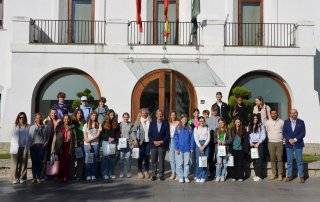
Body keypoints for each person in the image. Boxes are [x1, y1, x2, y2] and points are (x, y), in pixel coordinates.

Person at [283, 109, 306, 183]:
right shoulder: (286, 122)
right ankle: (289, 176)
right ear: (290, 114)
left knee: (299, 161)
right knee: (289, 161)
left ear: (297, 114)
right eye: (292, 113)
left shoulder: (301, 122)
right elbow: (284, 132)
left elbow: (303, 133)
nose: (293, 114)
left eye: (295, 113)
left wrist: (295, 139)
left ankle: (301, 176)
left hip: (298, 144)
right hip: (289, 144)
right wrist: (289, 139)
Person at [149, 109, 170, 181]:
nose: (160, 115)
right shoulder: (152, 123)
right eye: (158, 114)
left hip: (162, 145)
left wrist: (162, 141)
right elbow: (149, 134)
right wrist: (153, 141)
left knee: (161, 160)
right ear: (156, 115)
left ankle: (161, 174)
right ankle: (154, 175)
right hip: (153, 144)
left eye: (161, 114)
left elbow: (167, 135)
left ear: (162, 115)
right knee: (153, 160)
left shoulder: (165, 123)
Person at [10, 112, 30, 184]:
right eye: (20, 117)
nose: (21, 119)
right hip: (16, 147)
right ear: (18, 118)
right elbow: (12, 137)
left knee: (23, 163)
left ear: (25, 118)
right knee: (15, 164)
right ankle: (15, 178)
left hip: (24, 147)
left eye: (23, 117)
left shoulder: (28, 126)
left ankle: (22, 177)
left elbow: (29, 137)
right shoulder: (15, 126)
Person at [132, 108, 151, 179]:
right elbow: (133, 131)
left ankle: (146, 171)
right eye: (143, 113)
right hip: (141, 142)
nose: (145, 114)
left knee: (147, 157)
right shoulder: (138, 121)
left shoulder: (150, 121)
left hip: (148, 142)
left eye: (146, 113)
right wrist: (135, 140)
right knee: (140, 157)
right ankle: (139, 171)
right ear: (141, 114)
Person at [174, 114, 194, 183]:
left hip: (187, 149)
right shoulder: (178, 128)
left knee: (186, 163)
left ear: (187, 120)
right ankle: (181, 176)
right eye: (183, 119)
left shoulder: (189, 128)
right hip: (179, 149)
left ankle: (185, 176)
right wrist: (176, 148)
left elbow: (192, 139)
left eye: (185, 119)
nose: (184, 120)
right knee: (179, 163)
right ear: (181, 119)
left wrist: (191, 147)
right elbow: (175, 138)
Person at [265, 109, 284, 181]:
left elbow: (284, 131)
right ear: (270, 114)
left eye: (275, 113)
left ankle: (280, 174)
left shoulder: (281, 122)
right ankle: (273, 174)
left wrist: (283, 140)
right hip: (271, 142)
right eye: (272, 113)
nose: (273, 115)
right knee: (272, 159)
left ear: (277, 114)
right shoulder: (267, 122)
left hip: (279, 142)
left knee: (280, 158)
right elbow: (266, 131)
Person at [100, 109, 119, 180]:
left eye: (113, 115)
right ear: (108, 115)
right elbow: (101, 134)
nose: (112, 116)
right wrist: (108, 138)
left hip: (113, 143)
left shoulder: (115, 123)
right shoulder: (104, 123)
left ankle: (111, 173)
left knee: (111, 158)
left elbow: (117, 133)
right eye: (111, 115)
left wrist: (114, 138)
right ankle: (105, 173)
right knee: (106, 158)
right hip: (106, 142)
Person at [29, 113, 48, 184]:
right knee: (34, 163)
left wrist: (45, 143)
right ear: (35, 119)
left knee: (40, 163)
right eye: (37, 118)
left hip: (41, 146)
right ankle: (34, 177)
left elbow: (46, 137)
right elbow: (30, 138)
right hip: (34, 147)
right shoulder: (32, 127)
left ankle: (38, 177)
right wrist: (30, 146)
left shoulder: (44, 127)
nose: (39, 119)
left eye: (40, 118)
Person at [83, 111, 101, 181]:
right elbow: (85, 136)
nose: (94, 117)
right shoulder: (86, 125)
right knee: (88, 160)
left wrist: (90, 140)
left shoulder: (98, 124)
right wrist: (88, 143)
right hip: (87, 145)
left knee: (94, 159)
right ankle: (88, 175)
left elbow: (97, 135)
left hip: (95, 144)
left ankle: (93, 174)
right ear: (90, 116)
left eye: (95, 115)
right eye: (92, 115)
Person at [229, 118, 249, 182]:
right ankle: (234, 177)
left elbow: (245, 140)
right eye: (236, 122)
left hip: (240, 149)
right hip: (233, 148)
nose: (238, 123)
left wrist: (245, 149)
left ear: (240, 123)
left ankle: (240, 176)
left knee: (240, 163)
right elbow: (230, 139)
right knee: (234, 163)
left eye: (239, 122)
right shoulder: (232, 129)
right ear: (234, 123)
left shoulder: (243, 129)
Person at [249, 114, 266, 182]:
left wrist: (258, 143)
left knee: (259, 160)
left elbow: (263, 135)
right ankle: (256, 175)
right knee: (254, 160)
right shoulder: (250, 126)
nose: (255, 119)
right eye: (254, 118)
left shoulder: (261, 126)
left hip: (259, 145)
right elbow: (249, 135)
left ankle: (260, 176)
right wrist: (251, 142)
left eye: (256, 118)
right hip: (252, 145)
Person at [57, 115, 74, 182]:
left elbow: (73, 138)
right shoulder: (60, 127)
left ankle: (66, 176)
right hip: (61, 145)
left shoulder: (71, 127)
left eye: (67, 119)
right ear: (63, 120)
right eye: (65, 119)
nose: (66, 120)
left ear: (69, 120)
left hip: (68, 145)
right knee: (61, 162)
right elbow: (57, 138)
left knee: (67, 161)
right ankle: (60, 176)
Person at [214, 118, 232, 182]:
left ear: (224, 123)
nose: (221, 124)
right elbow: (214, 139)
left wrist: (225, 142)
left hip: (225, 149)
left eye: (222, 122)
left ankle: (222, 175)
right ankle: (218, 175)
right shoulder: (216, 130)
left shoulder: (228, 130)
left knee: (224, 163)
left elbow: (230, 140)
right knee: (219, 163)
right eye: (219, 123)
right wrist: (217, 140)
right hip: (218, 149)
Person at [194, 116, 210, 183]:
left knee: (204, 161)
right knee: (198, 161)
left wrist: (204, 146)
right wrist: (200, 146)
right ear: (198, 122)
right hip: (198, 145)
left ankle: (203, 176)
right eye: (200, 121)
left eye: (202, 121)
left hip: (205, 145)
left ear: (204, 121)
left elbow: (208, 138)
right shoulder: (196, 128)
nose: (201, 122)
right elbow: (195, 138)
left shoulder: (207, 128)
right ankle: (198, 176)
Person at [206, 106, 220, 179]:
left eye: (216, 110)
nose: (214, 112)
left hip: (217, 141)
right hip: (210, 140)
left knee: (218, 157)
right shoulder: (207, 119)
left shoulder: (219, 119)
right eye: (213, 110)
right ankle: (211, 173)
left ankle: (217, 173)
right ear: (211, 110)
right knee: (210, 157)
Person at [118, 112, 134, 178]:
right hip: (122, 143)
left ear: (128, 117)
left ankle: (128, 172)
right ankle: (121, 172)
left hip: (128, 143)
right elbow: (118, 133)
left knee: (128, 159)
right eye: (124, 117)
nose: (126, 118)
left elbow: (132, 133)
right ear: (123, 117)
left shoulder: (131, 124)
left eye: (127, 117)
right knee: (121, 158)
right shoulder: (120, 124)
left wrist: (133, 140)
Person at [72, 108, 85, 181]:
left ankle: (79, 175)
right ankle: (73, 174)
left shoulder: (84, 122)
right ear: (75, 114)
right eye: (78, 113)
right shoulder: (73, 122)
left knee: (80, 160)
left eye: (80, 113)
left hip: (82, 143)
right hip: (75, 143)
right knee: (74, 160)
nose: (79, 114)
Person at [168, 111, 180, 180]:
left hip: (176, 140)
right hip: (170, 141)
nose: (173, 116)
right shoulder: (168, 123)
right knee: (171, 158)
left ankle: (178, 174)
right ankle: (173, 173)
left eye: (174, 115)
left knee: (177, 158)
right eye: (172, 115)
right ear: (170, 116)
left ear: (175, 116)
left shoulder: (178, 123)